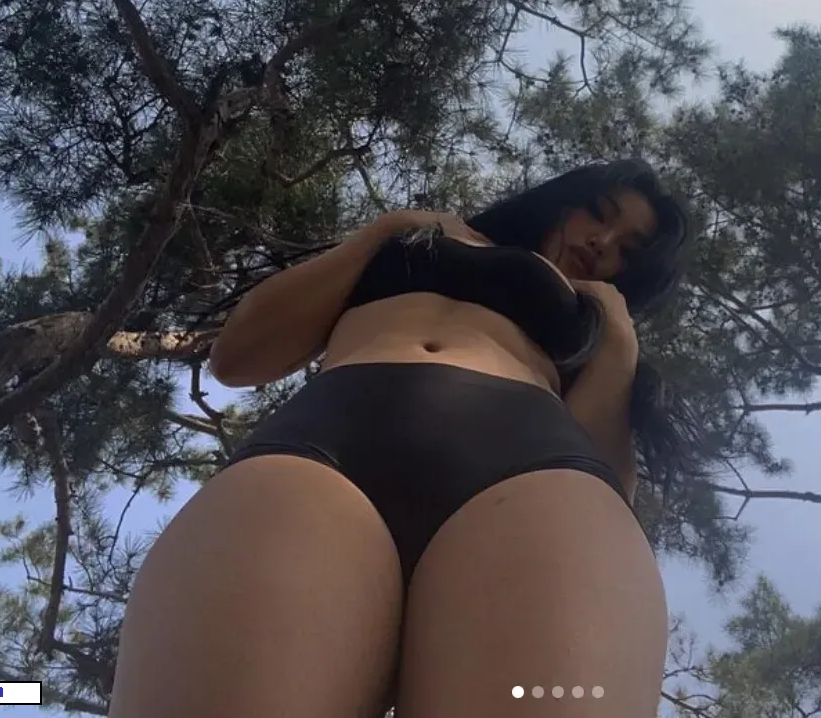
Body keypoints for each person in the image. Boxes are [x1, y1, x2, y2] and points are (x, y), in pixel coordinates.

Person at [108, 159, 693, 718]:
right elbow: (237, 357)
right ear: (565, 200)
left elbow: (606, 485)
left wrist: (620, 340)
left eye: (628, 249)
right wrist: (383, 232)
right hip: (320, 452)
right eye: (600, 213)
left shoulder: (594, 316)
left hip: (532, 480)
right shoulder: (421, 237)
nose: (602, 241)